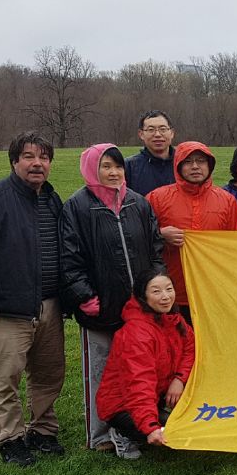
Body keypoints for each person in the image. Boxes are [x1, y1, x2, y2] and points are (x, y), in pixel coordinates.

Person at [0, 131, 65, 467]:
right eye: (28, 157)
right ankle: (10, 438)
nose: (37, 164)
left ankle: (42, 430)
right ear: (14, 161)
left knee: (48, 374)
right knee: (5, 377)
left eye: (44, 158)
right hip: (7, 309)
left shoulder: (52, 200)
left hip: (50, 304)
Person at [59, 143, 165, 451]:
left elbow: (155, 249)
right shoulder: (77, 207)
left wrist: (155, 289)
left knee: (139, 369)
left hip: (139, 309)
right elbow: (69, 257)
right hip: (101, 308)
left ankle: (135, 427)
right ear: (92, 169)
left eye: (118, 166)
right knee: (101, 371)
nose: (114, 172)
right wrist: (85, 296)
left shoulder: (138, 203)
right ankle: (100, 434)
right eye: (106, 166)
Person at [96, 270, 195, 460]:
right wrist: (150, 427)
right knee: (174, 432)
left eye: (169, 289)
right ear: (143, 296)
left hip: (156, 395)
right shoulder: (136, 333)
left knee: (189, 427)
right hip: (123, 404)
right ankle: (122, 432)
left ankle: (155, 419)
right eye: (156, 291)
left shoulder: (173, 319)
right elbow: (139, 384)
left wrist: (179, 379)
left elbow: (190, 348)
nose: (165, 297)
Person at [146, 141, 237, 324]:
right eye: (188, 161)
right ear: (178, 166)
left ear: (209, 165)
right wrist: (160, 235)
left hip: (213, 291)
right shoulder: (157, 198)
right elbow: (138, 238)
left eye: (200, 161)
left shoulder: (226, 201)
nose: (195, 166)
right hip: (170, 293)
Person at [125, 110, 177, 197]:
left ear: (172, 133)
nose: (157, 134)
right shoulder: (129, 167)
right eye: (151, 130)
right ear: (141, 134)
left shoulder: (183, 163)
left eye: (163, 129)